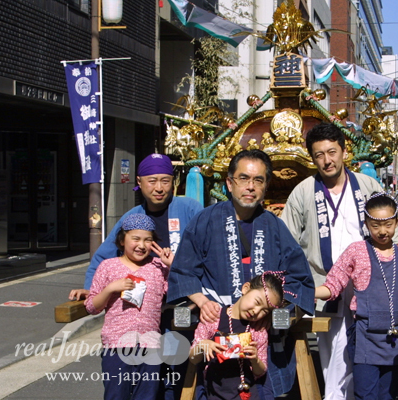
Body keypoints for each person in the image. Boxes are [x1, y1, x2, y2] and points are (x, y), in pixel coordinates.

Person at [167, 149, 315, 398]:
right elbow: (182, 270)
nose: (250, 186)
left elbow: (299, 279)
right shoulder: (205, 221)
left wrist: (274, 310)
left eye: (258, 180)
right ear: (229, 183)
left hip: (259, 329)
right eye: (243, 178)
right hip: (217, 324)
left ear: (266, 186)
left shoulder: (275, 226)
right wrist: (201, 301)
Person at [281, 122, 398, 400]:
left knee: (371, 354)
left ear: (344, 152)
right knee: (335, 356)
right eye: (319, 154)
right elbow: (287, 241)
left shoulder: (367, 185)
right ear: (312, 158)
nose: (327, 160)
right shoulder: (303, 191)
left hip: (371, 288)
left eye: (332, 151)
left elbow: (390, 232)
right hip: (327, 285)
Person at [315, 192, 398, 400]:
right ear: (366, 224)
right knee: (365, 394)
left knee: (389, 395)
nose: (382, 231)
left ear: (397, 222)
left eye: (388, 225)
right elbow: (334, 283)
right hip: (365, 337)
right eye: (375, 226)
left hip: (395, 336)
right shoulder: (356, 251)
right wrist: (311, 292)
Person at [69, 153, 203, 300]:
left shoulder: (190, 209)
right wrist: (90, 289)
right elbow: (102, 257)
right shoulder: (132, 217)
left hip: (188, 295)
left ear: (173, 181)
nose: (159, 188)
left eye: (165, 181)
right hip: (144, 299)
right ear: (139, 181)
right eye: (152, 181)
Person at [84, 214, 175, 400]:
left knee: (147, 396)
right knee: (116, 395)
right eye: (136, 239)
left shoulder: (158, 267)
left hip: (150, 346)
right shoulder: (107, 266)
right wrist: (110, 288)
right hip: (116, 344)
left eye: (148, 240)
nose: (141, 245)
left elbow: (177, 294)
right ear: (122, 240)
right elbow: (92, 307)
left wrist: (172, 266)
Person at [190, 272, 287, 400]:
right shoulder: (214, 318)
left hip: (247, 394)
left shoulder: (258, 330)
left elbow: (261, 371)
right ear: (246, 288)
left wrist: (255, 359)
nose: (256, 311)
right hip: (214, 393)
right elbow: (192, 357)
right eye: (257, 302)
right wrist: (203, 345)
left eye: (264, 311)